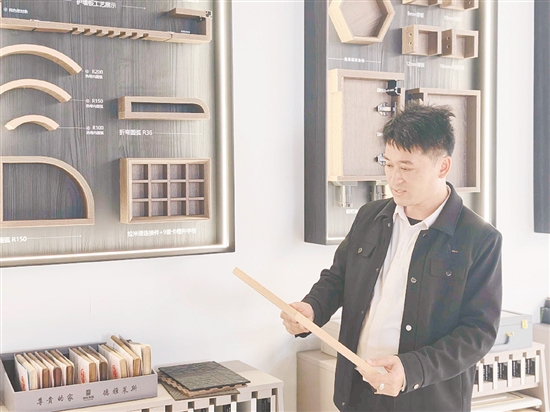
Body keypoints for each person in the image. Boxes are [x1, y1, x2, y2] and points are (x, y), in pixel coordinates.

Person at [281, 103, 502, 411]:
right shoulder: (370, 216)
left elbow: (477, 333)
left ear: (443, 166)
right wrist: (312, 308)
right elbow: (339, 278)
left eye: (407, 168)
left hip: (425, 398)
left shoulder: (479, 238)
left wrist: (411, 370)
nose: (394, 179)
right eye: (388, 165)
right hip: (358, 389)